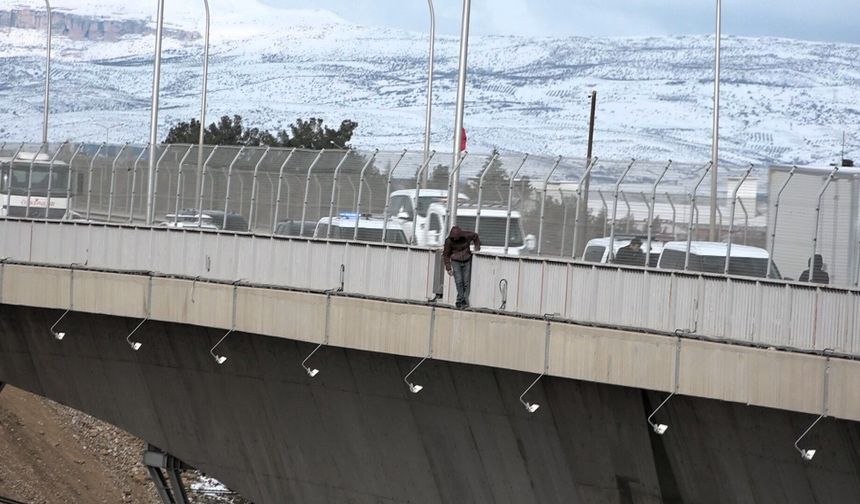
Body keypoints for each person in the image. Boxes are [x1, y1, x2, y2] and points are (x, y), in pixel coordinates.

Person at [443, 226, 481, 309]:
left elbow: (475, 236)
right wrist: (448, 268)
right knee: (459, 281)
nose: (455, 239)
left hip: (467, 260)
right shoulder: (448, 241)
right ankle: (462, 300)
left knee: (466, 283)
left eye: (456, 238)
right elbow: (446, 255)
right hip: (455, 261)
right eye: (453, 238)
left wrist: (477, 248)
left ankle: (459, 301)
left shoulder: (466, 235)